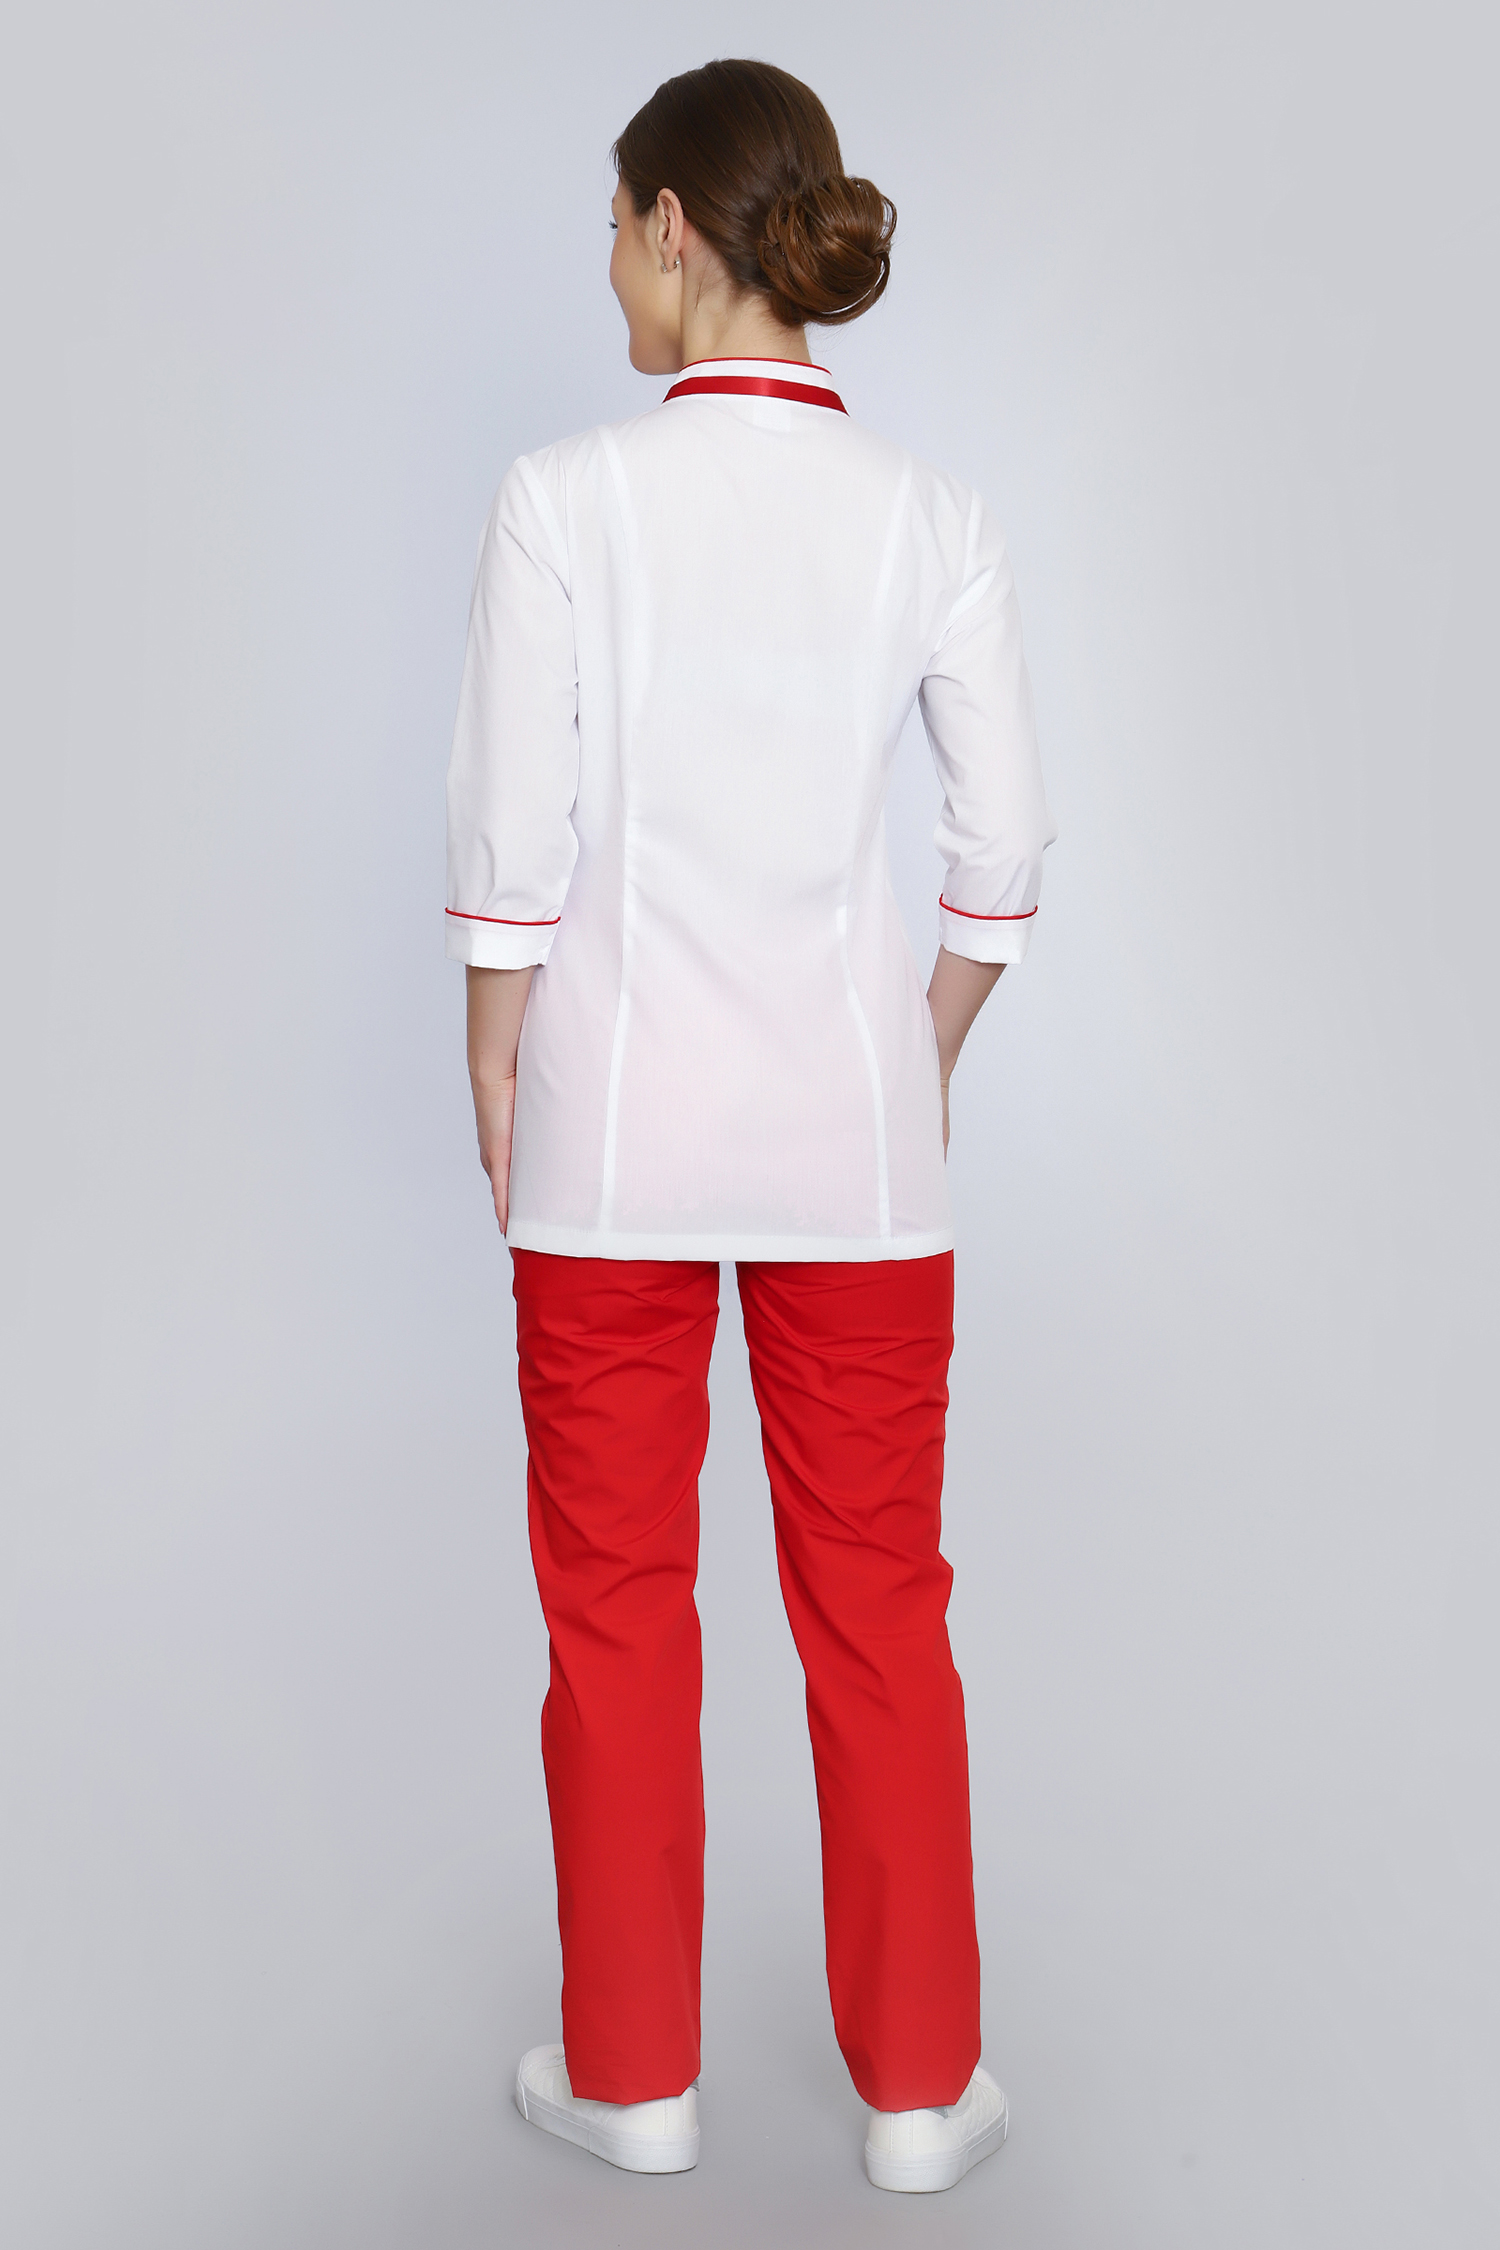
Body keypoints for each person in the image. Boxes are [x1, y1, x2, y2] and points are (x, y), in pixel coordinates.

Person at [445, 57, 1055, 2196]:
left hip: (609, 1142)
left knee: (617, 1611)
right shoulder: (933, 515)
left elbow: (512, 846)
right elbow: (1004, 855)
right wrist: (920, 1047)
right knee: (880, 1606)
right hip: (856, 1153)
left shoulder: (563, 497)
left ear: (670, 228)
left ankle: (633, 2075)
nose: (606, 271)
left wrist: (497, 1059)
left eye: (612, 231)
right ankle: (920, 2093)